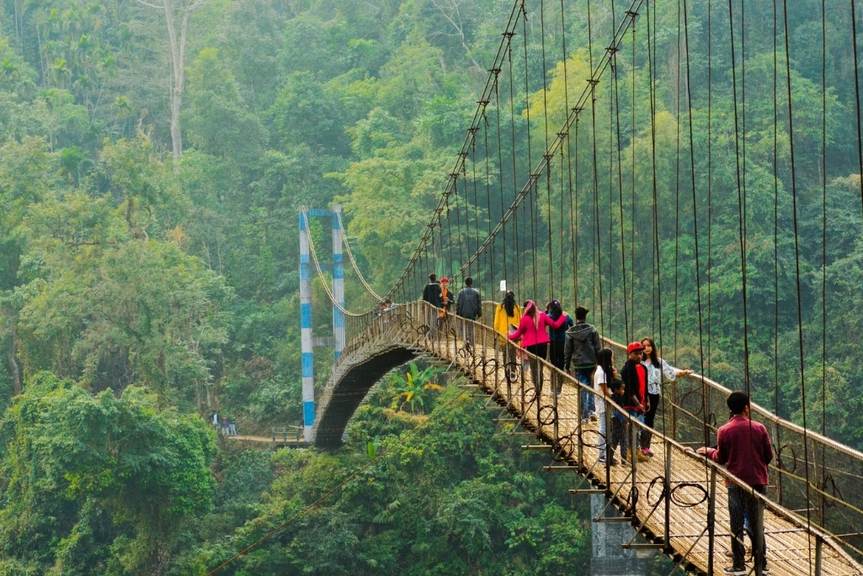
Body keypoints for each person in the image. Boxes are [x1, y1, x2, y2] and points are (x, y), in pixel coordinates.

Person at [697, 392, 773, 576]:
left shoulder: (724, 430)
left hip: (735, 483)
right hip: (757, 482)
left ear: (731, 409)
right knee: (757, 522)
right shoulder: (759, 428)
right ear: (747, 407)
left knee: (736, 523)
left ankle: (739, 565)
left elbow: (721, 457)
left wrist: (708, 451)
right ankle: (761, 563)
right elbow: (768, 456)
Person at [639, 337, 693, 457]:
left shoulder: (659, 362)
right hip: (641, 393)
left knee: (649, 419)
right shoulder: (639, 361)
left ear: (652, 347)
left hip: (654, 393)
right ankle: (639, 446)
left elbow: (670, 372)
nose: (646, 348)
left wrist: (684, 372)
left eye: (649, 345)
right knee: (640, 418)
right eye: (644, 346)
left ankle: (645, 446)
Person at [508, 299, 568, 396]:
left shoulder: (525, 319)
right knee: (540, 367)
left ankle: (537, 388)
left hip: (532, 347)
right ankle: (539, 387)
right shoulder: (543, 316)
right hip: (543, 346)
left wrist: (508, 336)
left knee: (534, 367)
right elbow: (555, 325)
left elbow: (517, 334)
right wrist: (563, 317)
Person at [564, 305, 602, 422]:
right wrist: (599, 362)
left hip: (578, 364)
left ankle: (584, 415)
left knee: (582, 388)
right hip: (591, 363)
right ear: (585, 316)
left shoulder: (570, 333)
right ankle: (591, 411)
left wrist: (567, 365)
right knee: (590, 386)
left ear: (576, 317)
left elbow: (568, 350)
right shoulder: (592, 330)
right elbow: (598, 347)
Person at [620, 341, 650, 462]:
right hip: (630, 404)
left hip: (641, 403)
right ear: (630, 354)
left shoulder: (643, 367)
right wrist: (638, 404)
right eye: (636, 353)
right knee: (631, 429)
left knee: (637, 429)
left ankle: (636, 451)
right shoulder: (626, 369)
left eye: (641, 353)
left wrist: (646, 401)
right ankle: (629, 453)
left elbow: (645, 386)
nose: (639, 356)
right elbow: (629, 390)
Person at [594, 347, 619, 463]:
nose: (612, 359)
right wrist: (615, 400)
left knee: (607, 428)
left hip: (604, 403)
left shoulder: (603, 370)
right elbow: (605, 391)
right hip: (603, 403)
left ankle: (605, 454)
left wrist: (613, 375)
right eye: (611, 357)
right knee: (603, 429)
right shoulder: (601, 372)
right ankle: (602, 455)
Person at [493, 291, 522, 369]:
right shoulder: (517, 308)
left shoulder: (500, 307)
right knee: (512, 354)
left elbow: (496, 322)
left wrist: (496, 332)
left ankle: (506, 371)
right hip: (513, 334)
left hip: (503, 335)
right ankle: (513, 371)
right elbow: (520, 321)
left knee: (505, 354)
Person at [546, 300, 573, 372]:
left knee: (553, 360)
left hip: (553, 341)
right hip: (563, 341)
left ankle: (555, 375)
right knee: (561, 359)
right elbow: (572, 324)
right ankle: (560, 376)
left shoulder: (549, 316)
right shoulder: (566, 316)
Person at [456, 276, 482, 345]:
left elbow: (458, 304)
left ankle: (465, 342)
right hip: (472, 314)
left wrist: (458, 313)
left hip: (463, 313)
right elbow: (479, 304)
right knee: (471, 328)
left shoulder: (461, 292)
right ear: (471, 283)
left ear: (465, 283)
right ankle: (472, 343)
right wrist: (479, 314)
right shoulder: (476, 292)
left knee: (463, 328)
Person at [608, 379, 628, 465]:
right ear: (616, 389)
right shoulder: (619, 398)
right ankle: (624, 460)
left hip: (614, 420)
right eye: (621, 389)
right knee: (623, 440)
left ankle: (610, 458)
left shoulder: (612, 397)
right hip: (620, 420)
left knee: (614, 440)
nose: (623, 391)